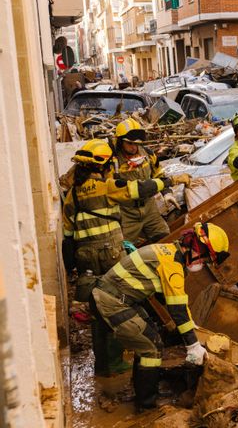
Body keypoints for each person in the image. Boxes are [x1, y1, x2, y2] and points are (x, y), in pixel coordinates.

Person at [62, 139, 187, 377]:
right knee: (118, 304)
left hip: (86, 258)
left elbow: (68, 237)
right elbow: (139, 189)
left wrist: (72, 268)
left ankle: (104, 365)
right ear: (103, 165)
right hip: (110, 254)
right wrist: (170, 181)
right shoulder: (107, 186)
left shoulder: (73, 196)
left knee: (97, 310)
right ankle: (120, 359)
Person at [91, 222, 228, 411]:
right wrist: (193, 345)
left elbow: (169, 298)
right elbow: (177, 309)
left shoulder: (169, 252)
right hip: (111, 301)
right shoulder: (172, 264)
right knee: (152, 348)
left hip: (115, 297)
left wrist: (190, 326)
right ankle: (146, 404)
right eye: (204, 259)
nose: (202, 264)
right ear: (197, 248)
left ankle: (143, 388)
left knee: (151, 336)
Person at [112, 118, 188, 245]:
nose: (134, 147)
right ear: (120, 141)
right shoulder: (113, 162)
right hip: (126, 213)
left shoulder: (148, 155)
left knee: (166, 239)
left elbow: (159, 174)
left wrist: (167, 193)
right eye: (130, 143)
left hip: (149, 210)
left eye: (137, 144)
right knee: (121, 248)